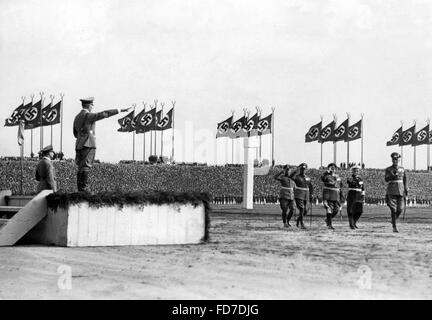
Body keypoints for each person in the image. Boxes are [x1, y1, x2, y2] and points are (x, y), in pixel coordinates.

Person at [73, 97, 131, 192]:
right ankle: (84, 189)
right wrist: (120, 110)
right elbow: (105, 114)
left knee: (80, 166)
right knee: (86, 165)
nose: (92, 106)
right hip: (88, 143)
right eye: (92, 105)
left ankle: (80, 189)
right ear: (88, 105)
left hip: (79, 144)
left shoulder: (77, 117)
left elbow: (75, 133)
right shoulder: (88, 115)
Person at [385, 152, 408, 232]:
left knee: (400, 209)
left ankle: (393, 220)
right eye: (394, 159)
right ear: (392, 160)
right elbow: (386, 179)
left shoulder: (402, 169)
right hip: (392, 190)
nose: (395, 160)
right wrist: (392, 175)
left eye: (397, 159)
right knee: (393, 209)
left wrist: (406, 188)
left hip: (401, 190)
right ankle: (394, 226)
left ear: (399, 160)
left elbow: (405, 179)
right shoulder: (388, 169)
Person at [289, 163, 313, 229]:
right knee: (302, 209)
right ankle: (302, 223)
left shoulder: (308, 178)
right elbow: (290, 177)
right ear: (300, 169)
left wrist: (311, 194)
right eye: (302, 169)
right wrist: (295, 171)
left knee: (306, 210)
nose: (303, 170)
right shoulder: (296, 177)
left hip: (306, 195)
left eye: (304, 169)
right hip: (299, 195)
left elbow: (311, 186)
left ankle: (298, 220)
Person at [321, 163, 344, 230]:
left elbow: (340, 187)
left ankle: (327, 220)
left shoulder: (338, 177)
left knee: (336, 210)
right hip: (328, 195)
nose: (333, 169)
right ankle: (329, 225)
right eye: (331, 167)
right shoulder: (326, 175)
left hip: (336, 196)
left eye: (334, 167)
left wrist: (341, 195)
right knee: (329, 209)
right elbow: (323, 179)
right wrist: (327, 172)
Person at [346, 164, 365, 229]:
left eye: (357, 171)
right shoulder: (350, 178)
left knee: (359, 211)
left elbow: (363, 188)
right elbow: (351, 183)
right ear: (352, 171)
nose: (356, 172)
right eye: (355, 171)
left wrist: (363, 196)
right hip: (352, 194)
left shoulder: (360, 179)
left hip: (359, 195)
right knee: (351, 210)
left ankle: (354, 222)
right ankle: (351, 224)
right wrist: (355, 179)